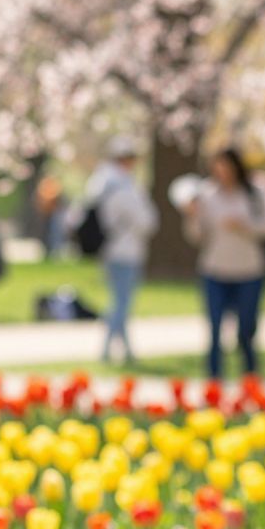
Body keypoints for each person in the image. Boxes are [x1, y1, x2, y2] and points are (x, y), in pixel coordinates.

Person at [183, 148, 265, 380]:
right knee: (214, 329)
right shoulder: (207, 193)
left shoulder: (256, 192)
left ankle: (250, 378)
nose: (223, 172)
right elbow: (196, 236)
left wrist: (244, 226)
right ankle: (214, 381)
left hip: (249, 270)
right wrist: (192, 215)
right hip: (215, 269)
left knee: (246, 330)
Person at [87, 137, 159, 365]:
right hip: (125, 250)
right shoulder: (122, 186)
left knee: (120, 300)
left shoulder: (101, 182)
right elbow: (146, 221)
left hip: (109, 250)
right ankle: (109, 349)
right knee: (121, 302)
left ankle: (125, 349)